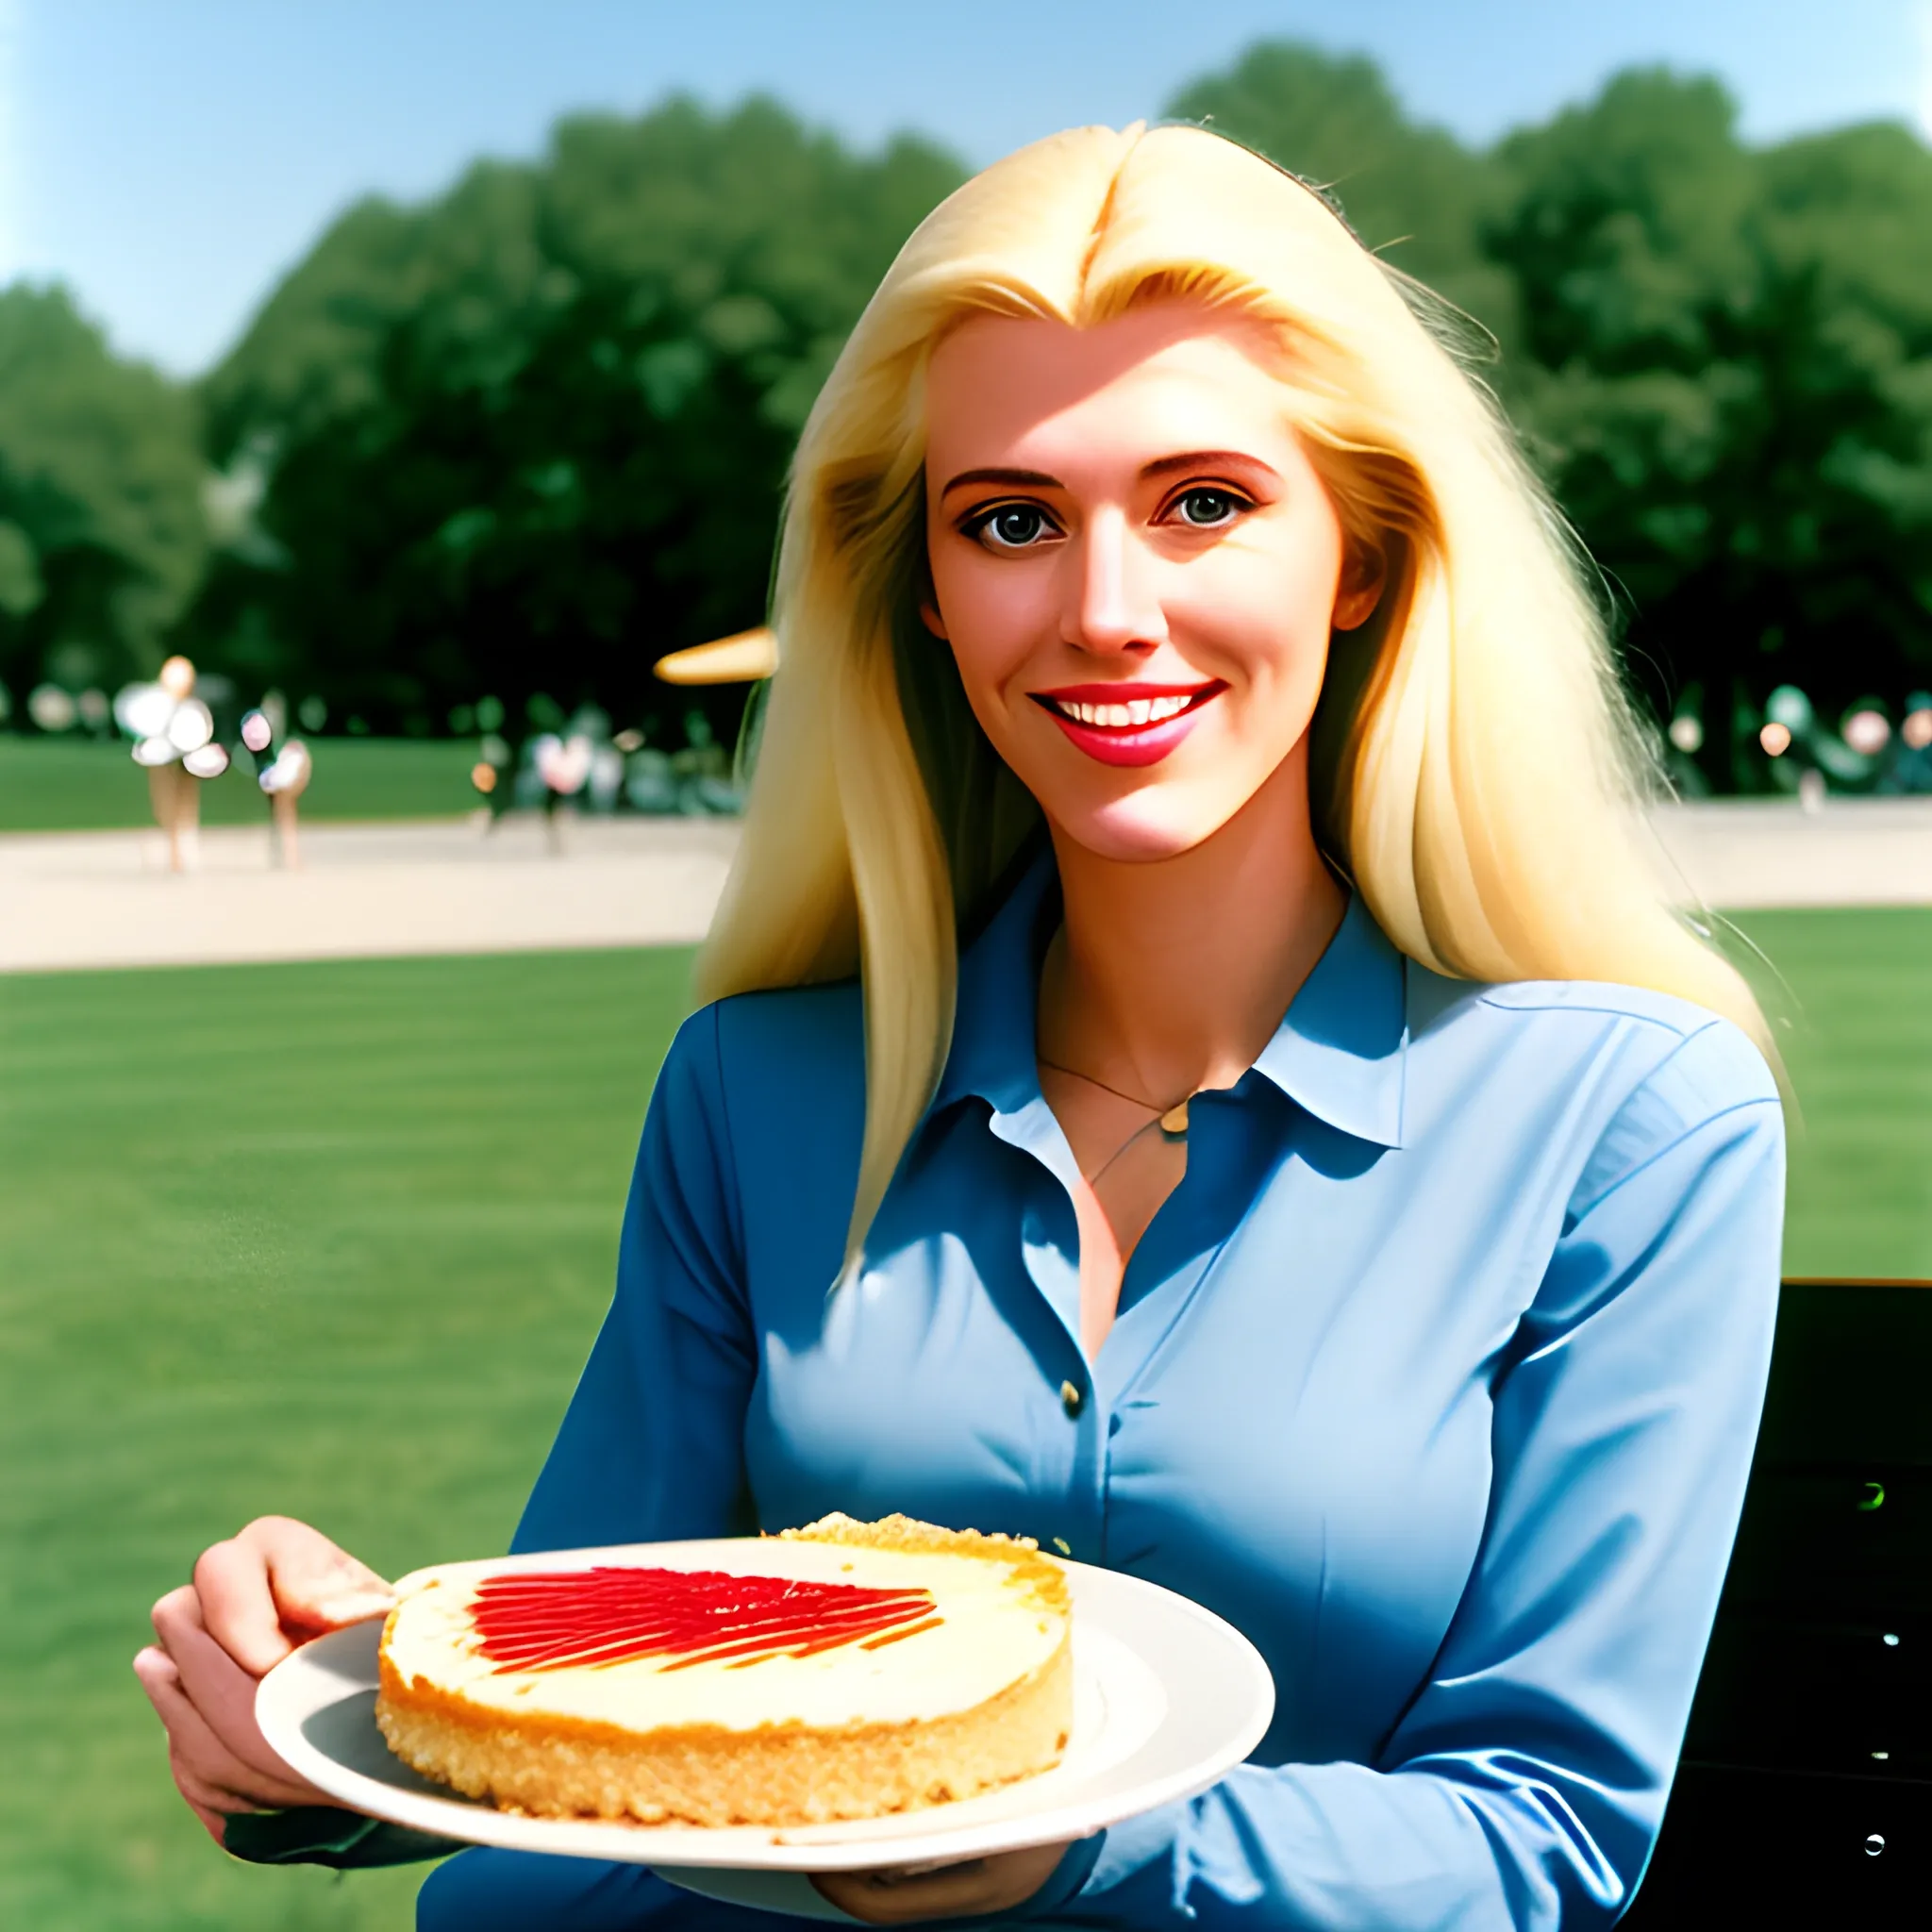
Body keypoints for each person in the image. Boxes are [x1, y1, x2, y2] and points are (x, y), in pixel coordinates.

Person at [134, 123, 1785, 1929]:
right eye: (1011, 521)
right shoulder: (754, 1091)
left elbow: (1541, 1834)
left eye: (1205, 504)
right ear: (925, 588)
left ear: (1365, 557)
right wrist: (322, 1717)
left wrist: (1074, 1845)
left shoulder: (1636, 1121)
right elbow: (594, 1722)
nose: (1104, 612)